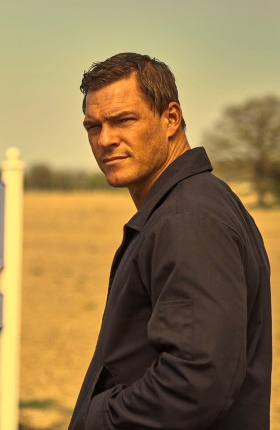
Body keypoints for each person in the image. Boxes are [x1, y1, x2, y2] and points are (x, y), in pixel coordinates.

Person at [68, 53, 272, 429]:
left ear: (171, 119)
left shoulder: (188, 219)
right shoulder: (187, 206)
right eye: (93, 126)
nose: (105, 139)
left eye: (123, 120)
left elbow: (196, 381)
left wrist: (97, 419)